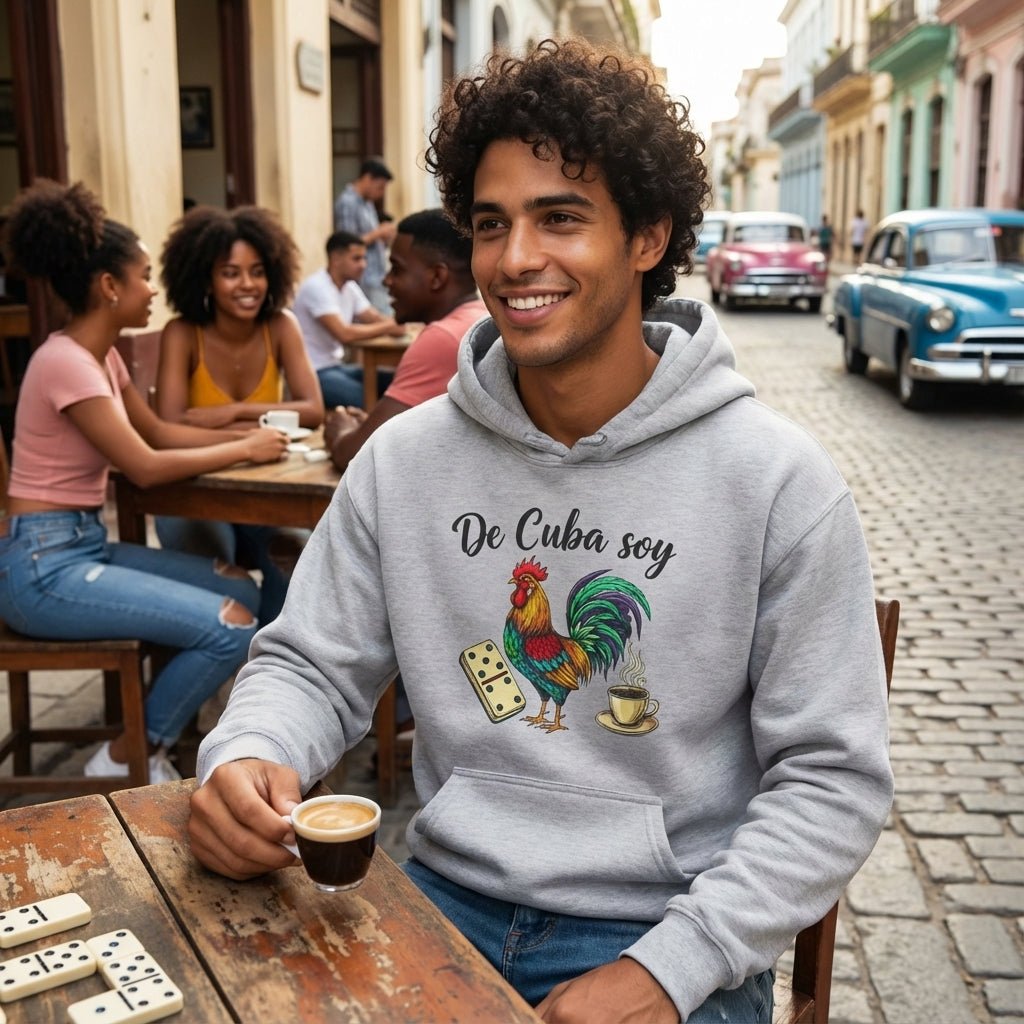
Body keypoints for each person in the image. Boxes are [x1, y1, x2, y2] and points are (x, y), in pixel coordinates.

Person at [190, 39, 893, 1024]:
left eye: (559, 218)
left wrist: (670, 970)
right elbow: (311, 664)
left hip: (666, 924)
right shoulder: (405, 463)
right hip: (436, 895)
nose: (514, 259)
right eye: (491, 223)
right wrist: (247, 751)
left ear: (647, 235)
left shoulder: (777, 483)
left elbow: (831, 779)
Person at [0, 179, 289, 783]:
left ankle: (197, 725)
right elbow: (145, 466)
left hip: (79, 545)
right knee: (230, 626)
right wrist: (243, 443)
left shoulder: (100, 356)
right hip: (41, 567)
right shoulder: (65, 363)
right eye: (141, 277)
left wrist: (253, 447)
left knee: (238, 583)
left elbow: (158, 431)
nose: (151, 289)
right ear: (109, 287)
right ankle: (130, 753)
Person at [155, 205, 323, 624]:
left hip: (261, 496)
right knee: (219, 573)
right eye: (231, 272)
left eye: (258, 271)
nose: (248, 284)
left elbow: (313, 409)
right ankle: (223, 659)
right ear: (204, 278)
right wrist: (250, 441)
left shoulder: (281, 326)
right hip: (192, 494)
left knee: (299, 560)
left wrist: (235, 412)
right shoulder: (181, 333)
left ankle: (267, 672)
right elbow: (168, 428)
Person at [324, 208, 487, 473]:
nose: (385, 280)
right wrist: (372, 426)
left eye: (397, 269)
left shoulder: (441, 338)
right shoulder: (479, 317)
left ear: (437, 277)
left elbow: (354, 457)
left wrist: (341, 433)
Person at [292, 230, 406, 410]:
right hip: (313, 373)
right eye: (357, 259)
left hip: (336, 367)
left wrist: (395, 324)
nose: (363, 265)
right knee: (374, 401)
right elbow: (343, 334)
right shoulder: (317, 287)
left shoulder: (349, 287)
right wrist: (390, 326)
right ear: (336, 259)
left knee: (398, 383)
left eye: (364, 259)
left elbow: (373, 317)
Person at [333, 158, 396, 314]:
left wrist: (384, 236)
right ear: (368, 178)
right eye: (380, 187)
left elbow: (370, 237)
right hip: (364, 278)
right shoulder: (348, 203)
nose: (381, 193)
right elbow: (348, 244)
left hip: (377, 275)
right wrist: (377, 233)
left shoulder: (367, 204)